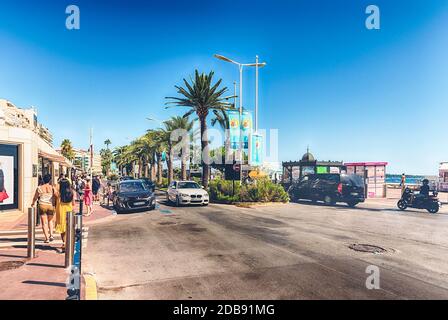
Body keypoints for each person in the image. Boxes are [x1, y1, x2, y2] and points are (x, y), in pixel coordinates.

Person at [31, 174, 55, 243]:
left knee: (44, 223)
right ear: (50, 180)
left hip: (42, 205)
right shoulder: (52, 187)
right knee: (50, 221)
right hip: (50, 205)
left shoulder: (39, 188)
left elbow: (35, 197)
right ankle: (51, 235)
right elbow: (55, 195)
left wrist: (33, 203)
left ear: (43, 180)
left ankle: (47, 238)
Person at [55, 175, 75, 253]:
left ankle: (64, 242)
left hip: (60, 211)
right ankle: (66, 243)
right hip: (69, 210)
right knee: (68, 227)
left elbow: (55, 190)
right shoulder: (71, 193)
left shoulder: (58, 193)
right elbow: (73, 203)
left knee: (62, 227)